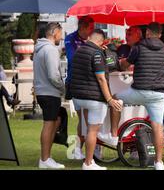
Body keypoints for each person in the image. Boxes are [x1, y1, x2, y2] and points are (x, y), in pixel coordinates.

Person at [117, 22, 164, 170]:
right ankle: (159, 163)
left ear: (147, 32)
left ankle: (112, 134)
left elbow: (125, 66)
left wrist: (120, 62)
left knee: (114, 99)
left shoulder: (138, 47)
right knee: (157, 127)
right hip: (159, 94)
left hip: (140, 91)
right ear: (160, 34)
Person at [70, 29, 123, 170]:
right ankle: (88, 163)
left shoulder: (78, 51)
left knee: (89, 129)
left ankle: (89, 158)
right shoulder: (97, 53)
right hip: (93, 98)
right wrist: (110, 99)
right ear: (101, 42)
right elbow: (101, 78)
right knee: (93, 131)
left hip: (78, 97)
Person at [33, 23, 66, 169]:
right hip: (49, 92)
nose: (62, 36)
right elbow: (53, 75)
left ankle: (46, 158)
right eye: (60, 33)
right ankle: (45, 159)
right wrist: (63, 88)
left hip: (44, 92)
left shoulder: (40, 49)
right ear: (54, 32)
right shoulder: (50, 49)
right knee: (49, 123)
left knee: (54, 122)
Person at [64, 16, 95, 160]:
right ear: (82, 27)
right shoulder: (70, 38)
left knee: (88, 120)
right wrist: (89, 49)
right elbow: (72, 58)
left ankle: (82, 149)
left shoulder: (92, 39)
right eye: (91, 27)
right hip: (75, 82)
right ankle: (77, 149)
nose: (93, 30)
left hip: (90, 83)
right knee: (83, 119)